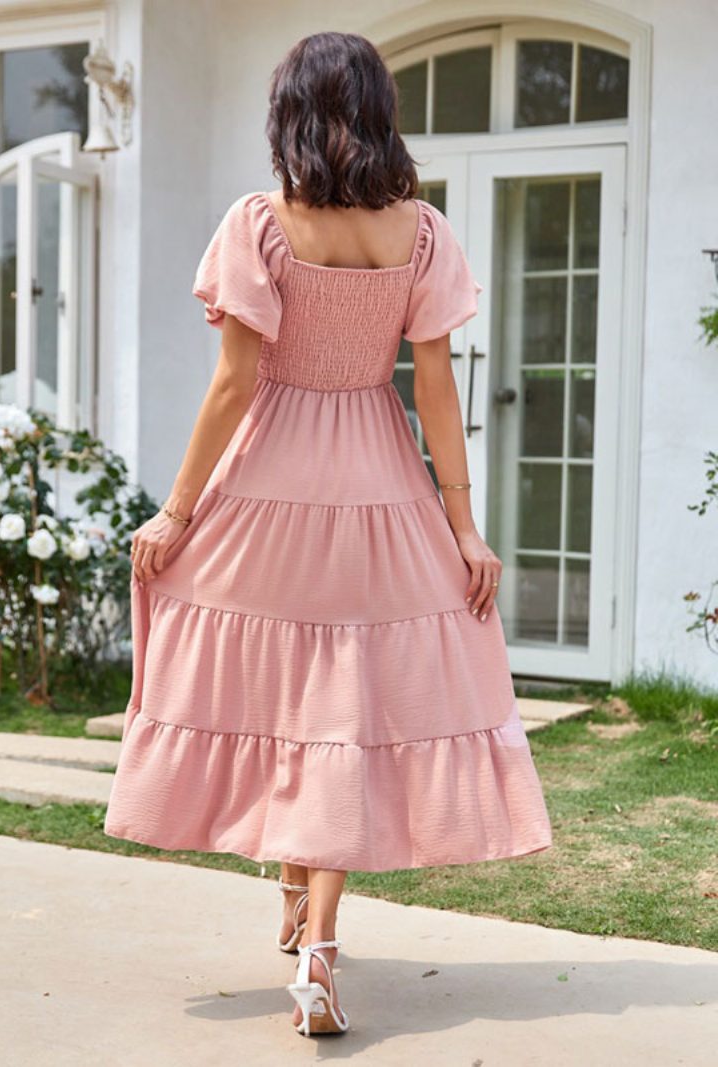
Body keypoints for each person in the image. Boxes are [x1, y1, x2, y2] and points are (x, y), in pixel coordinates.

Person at [104, 30, 553, 1038]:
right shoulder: (421, 232)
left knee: (280, 678)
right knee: (344, 696)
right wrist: (464, 527)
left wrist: (177, 512)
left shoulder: (261, 223)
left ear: (291, 112)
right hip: (379, 473)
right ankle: (317, 940)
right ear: (378, 111)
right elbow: (432, 386)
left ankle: (295, 896)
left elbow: (233, 382)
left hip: (270, 475)